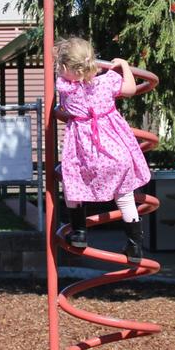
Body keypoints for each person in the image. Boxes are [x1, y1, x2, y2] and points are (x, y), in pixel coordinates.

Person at [54, 36, 152, 260]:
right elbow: (129, 89)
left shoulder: (65, 89)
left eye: (60, 66)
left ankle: (79, 233)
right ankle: (134, 246)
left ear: (67, 68)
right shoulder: (107, 81)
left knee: (73, 187)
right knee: (125, 197)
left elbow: (63, 110)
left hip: (85, 156)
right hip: (116, 153)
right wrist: (125, 66)